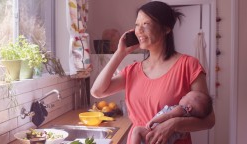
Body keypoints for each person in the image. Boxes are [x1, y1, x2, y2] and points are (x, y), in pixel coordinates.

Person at [90, 1, 215, 144]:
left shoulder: (188, 65)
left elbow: (209, 120)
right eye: (137, 24)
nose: (139, 30)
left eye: (146, 24)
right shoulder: (133, 70)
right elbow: (97, 91)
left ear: (166, 29)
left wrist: (173, 124)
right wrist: (120, 53)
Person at [131, 91, 213, 144]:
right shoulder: (187, 122)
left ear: (188, 108)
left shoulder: (180, 109)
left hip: (156, 133)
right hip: (166, 140)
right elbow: (183, 136)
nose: (183, 96)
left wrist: (153, 120)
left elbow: (167, 115)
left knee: (137, 130)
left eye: (185, 96)